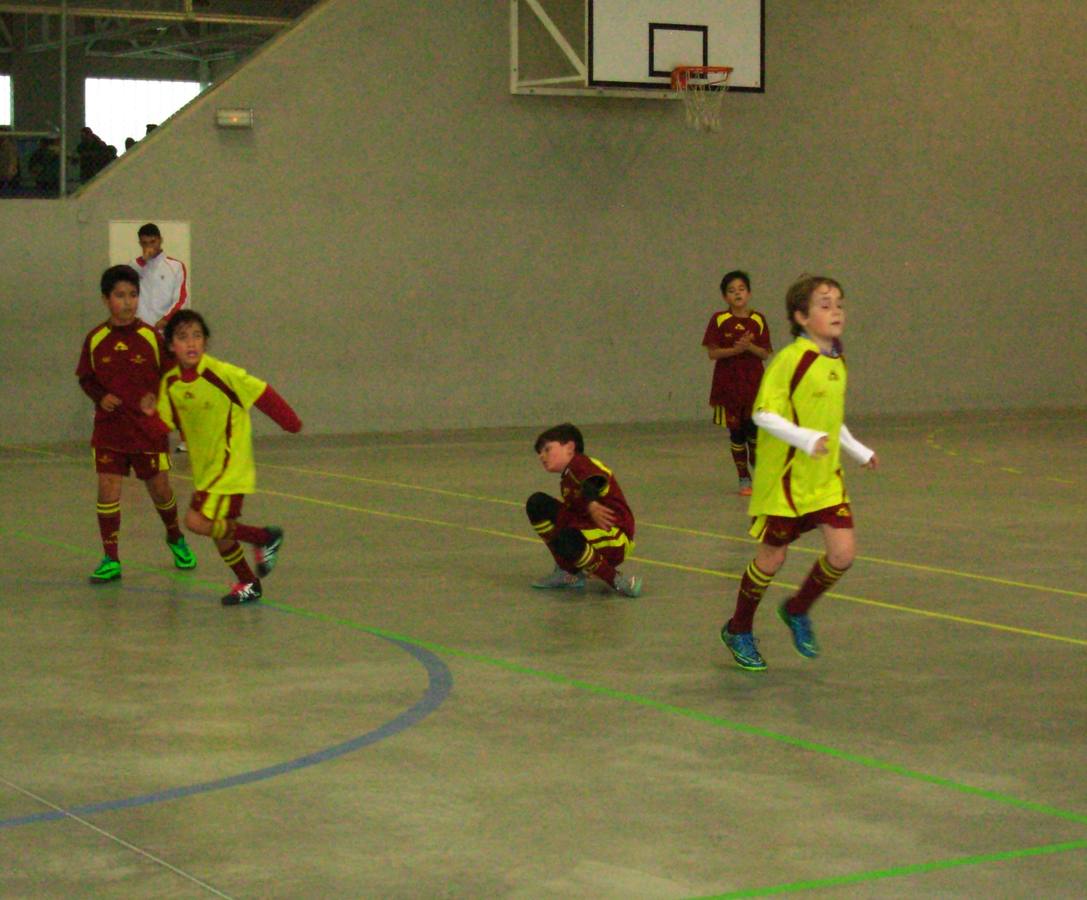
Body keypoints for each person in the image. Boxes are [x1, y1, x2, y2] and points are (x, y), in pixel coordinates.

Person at [719, 274, 879, 671]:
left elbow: (831, 419)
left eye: (839, 303)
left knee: (843, 554)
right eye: (825, 305)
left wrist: (857, 450)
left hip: (825, 479)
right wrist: (804, 439)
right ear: (801, 317)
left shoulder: (837, 359)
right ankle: (738, 629)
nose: (836, 311)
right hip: (787, 481)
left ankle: (796, 608)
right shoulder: (792, 359)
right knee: (772, 559)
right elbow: (762, 414)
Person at [138, 310, 302, 606]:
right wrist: (149, 415)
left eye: (197, 336)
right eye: (183, 337)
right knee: (220, 531)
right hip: (205, 469)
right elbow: (163, 426)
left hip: (229, 465)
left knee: (196, 521)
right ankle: (249, 584)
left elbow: (261, 392)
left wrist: (290, 422)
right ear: (171, 345)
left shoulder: (222, 373)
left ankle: (264, 537)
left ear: (206, 341)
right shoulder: (171, 383)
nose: (191, 343)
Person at [76, 265, 197, 584]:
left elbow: (172, 377)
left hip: (147, 432)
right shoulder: (95, 339)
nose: (128, 302)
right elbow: (86, 378)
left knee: (160, 490)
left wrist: (162, 404)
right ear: (106, 300)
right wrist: (100, 396)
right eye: (120, 295)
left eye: (133, 295)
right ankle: (110, 558)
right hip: (110, 430)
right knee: (107, 488)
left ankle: (175, 537)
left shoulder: (151, 338)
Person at [526, 423, 642, 597]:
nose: (542, 456)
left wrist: (592, 504)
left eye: (547, 449)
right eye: (539, 453)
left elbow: (593, 482)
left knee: (566, 536)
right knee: (537, 504)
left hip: (614, 535)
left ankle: (617, 580)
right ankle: (568, 572)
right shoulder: (567, 479)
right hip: (590, 530)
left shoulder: (581, 463)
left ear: (570, 447)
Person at [702, 270, 772, 495]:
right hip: (728, 387)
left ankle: (760, 471)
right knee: (737, 435)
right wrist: (735, 350)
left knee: (755, 434)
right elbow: (712, 353)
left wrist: (749, 347)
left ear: (749, 293)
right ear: (725, 297)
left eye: (741, 289)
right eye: (731, 291)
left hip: (754, 387)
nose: (737, 294)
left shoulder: (758, 319)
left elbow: (765, 353)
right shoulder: (719, 319)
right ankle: (743, 477)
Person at [130, 222, 189, 333]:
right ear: (140, 244)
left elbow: (181, 299)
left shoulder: (175, 266)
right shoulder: (134, 266)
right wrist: (144, 260)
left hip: (165, 329)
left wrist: (166, 319)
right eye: (145, 243)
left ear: (160, 240)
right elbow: (124, 288)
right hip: (139, 330)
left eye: (153, 242)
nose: (149, 246)